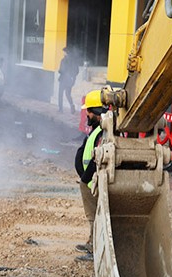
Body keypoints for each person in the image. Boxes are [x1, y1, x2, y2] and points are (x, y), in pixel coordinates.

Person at [73, 90, 107, 262]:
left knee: (94, 215)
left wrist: (85, 178)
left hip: (92, 181)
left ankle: (94, 248)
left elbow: (97, 158)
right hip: (89, 180)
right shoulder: (98, 129)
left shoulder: (103, 132)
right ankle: (91, 242)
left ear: (97, 112)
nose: (87, 113)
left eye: (89, 111)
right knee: (92, 215)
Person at [58, 47, 80, 115]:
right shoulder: (74, 60)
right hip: (70, 80)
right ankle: (72, 105)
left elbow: (62, 70)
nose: (63, 53)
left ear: (66, 52)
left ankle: (60, 109)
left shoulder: (63, 60)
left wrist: (60, 71)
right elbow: (77, 71)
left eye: (64, 52)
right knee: (68, 94)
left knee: (60, 94)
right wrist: (72, 78)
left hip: (63, 80)